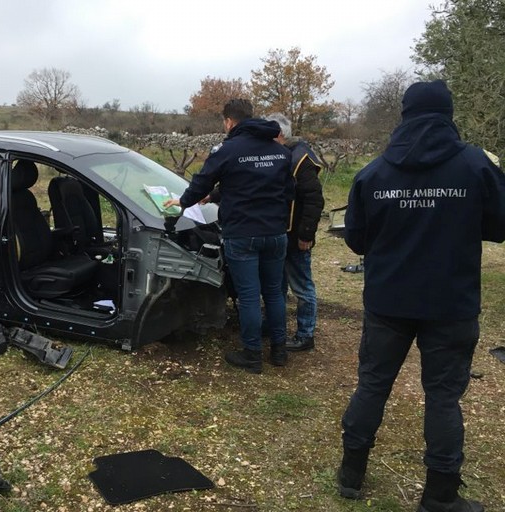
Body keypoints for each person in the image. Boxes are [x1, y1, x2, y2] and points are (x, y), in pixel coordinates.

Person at [337, 80, 505, 512]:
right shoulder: (475, 166)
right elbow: (500, 226)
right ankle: (439, 496)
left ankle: (350, 473)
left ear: (404, 114)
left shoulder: (374, 172)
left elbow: (356, 239)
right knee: (443, 398)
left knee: (372, 385)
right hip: (450, 304)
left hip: (388, 302)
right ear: (449, 114)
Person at [164, 99, 294, 373]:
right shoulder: (279, 151)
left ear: (229, 121)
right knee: (274, 293)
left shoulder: (227, 149)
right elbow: (289, 190)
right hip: (275, 234)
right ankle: (280, 351)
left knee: (248, 296)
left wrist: (184, 201)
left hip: (242, 234)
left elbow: (203, 180)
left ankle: (252, 355)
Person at [265, 113, 325, 351]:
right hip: (279, 234)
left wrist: (306, 235)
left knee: (302, 287)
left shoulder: (301, 159)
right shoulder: (281, 155)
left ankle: (305, 334)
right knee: (276, 284)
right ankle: (273, 324)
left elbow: (314, 200)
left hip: (296, 236)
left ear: (279, 135)